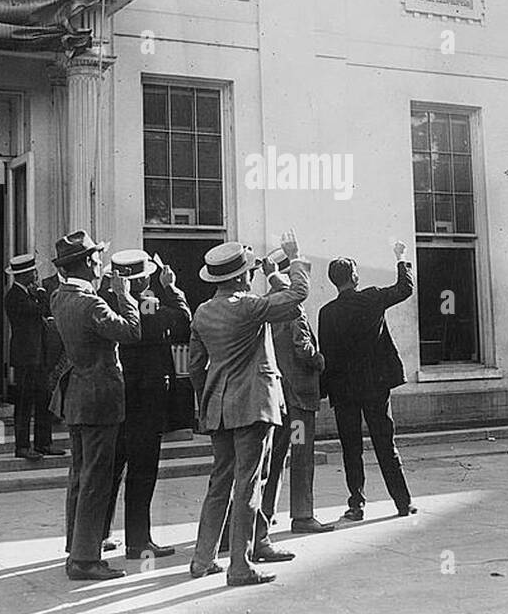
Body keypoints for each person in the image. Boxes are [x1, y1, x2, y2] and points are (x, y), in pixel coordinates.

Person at [187, 230, 309, 587]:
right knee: (248, 485)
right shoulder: (249, 306)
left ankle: (203, 558)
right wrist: (290, 259)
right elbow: (297, 295)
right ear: (241, 276)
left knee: (220, 483)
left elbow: (196, 366)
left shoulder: (203, 311)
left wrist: (207, 399)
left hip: (219, 407)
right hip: (253, 405)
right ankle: (239, 566)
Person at [50, 230, 140, 581]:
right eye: (97, 259)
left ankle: (77, 548)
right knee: (96, 479)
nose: (101, 264)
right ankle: (86, 559)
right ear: (88, 263)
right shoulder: (91, 304)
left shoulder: (60, 298)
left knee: (80, 475)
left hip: (77, 399)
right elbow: (131, 332)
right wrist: (125, 296)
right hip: (100, 398)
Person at [318, 240, 417, 520]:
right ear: (355, 278)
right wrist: (401, 258)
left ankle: (356, 505)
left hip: (344, 390)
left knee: (351, 449)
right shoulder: (372, 297)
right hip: (376, 386)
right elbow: (404, 289)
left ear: (334, 282)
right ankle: (402, 502)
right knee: (386, 444)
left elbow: (326, 354)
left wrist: (323, 392)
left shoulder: (327, 313)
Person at [100, 250, 190, 561]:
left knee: (111, 469)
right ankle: (138, 541)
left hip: (115, 398)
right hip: (147, 401)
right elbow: (183, 321)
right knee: (142, 471)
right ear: (145, 279)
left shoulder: (106, 304)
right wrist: (172, 288)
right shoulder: (151, 309)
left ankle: (99, 535)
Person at [263, 253, 334, 536]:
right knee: (301, 455)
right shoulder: (294, 309)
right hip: (299, 400)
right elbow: (302, 349)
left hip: (278, 397)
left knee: (275, 457)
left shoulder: (266, 304)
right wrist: (319, 359)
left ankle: (265, 512)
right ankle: (303, 515)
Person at [4, 253, 65, 460]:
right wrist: (40, 292)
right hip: (25, 358)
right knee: (23, 403)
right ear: (23, 274)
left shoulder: (27, 294)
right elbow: (39, 310)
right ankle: (22, 447)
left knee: (43, 399)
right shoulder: (14, 296)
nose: (36, 274)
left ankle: (43, 443)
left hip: (38, 356)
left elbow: (45, 310)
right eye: (32, 271)